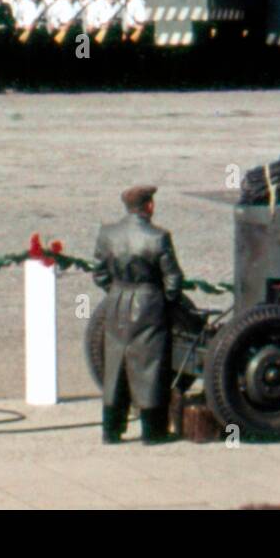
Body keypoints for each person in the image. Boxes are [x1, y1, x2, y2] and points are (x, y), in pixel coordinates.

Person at [91, 185, 185, 445]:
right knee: (150, 367)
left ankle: (111, 429)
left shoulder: (108, 233)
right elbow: (173, 278)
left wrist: (116, 291)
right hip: (149, 302)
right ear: (149, 206)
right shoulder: (158, 237)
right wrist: (164, 301)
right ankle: (153, 431)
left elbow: (99, 273)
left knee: (116, 366)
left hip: (118, 300)